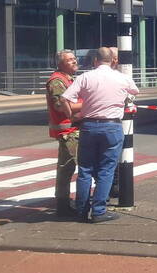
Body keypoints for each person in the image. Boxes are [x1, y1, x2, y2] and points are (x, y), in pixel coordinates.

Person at [59, 47, 139, 223]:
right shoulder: (121, 78)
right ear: (113, 61)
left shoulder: (85, 77)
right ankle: (99, 211)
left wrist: (71, 115)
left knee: (85, 169)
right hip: (111, 127)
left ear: (95, 60)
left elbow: (64, 98)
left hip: (88, 126)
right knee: (106, 170)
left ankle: (81, 210)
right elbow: (135, 91)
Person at [46, 49, 79, 218]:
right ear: (60, 63)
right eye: (70, 60)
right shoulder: (57, 81)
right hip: (67, 131)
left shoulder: (69, 79)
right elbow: (60, 105)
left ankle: (65, 203)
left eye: (74, 58)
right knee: (67, 168)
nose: (74, 62)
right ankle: (63, 205)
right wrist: (87, 103)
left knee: (68, 167)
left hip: (73, 129)